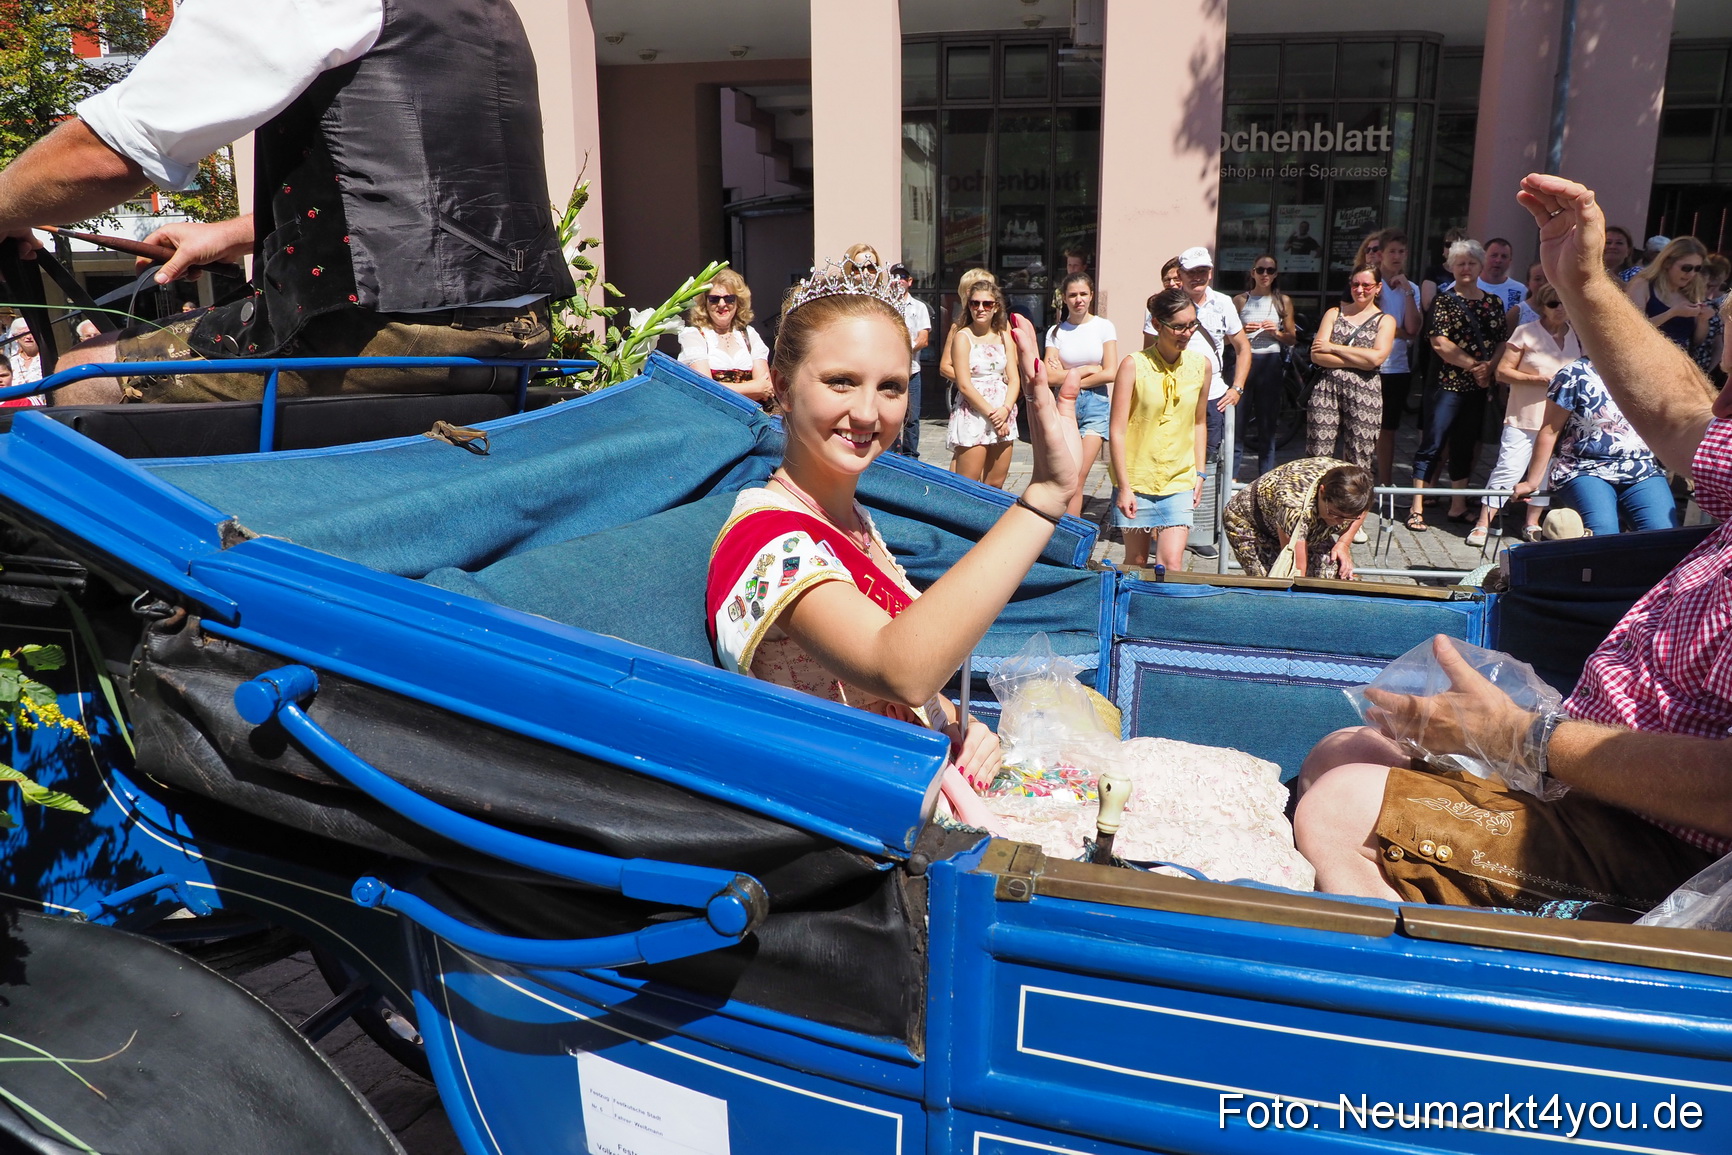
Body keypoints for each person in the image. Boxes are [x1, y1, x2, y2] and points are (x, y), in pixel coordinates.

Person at [1292, 172, 1732, 911]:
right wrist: (1584, 279)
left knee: (1340, 807)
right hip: (1590, 776)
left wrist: (1527, 738)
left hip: (1664, 849)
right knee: (1340, 753)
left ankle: (1414, 1008)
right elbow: (1681, 410)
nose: (1720, 401)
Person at [4, 0, 573, 406]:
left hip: (376, 331)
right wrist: (235, 231)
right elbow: (426, 189)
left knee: (80, 376)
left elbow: (107, 153)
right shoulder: (482, 11)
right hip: (513, 330)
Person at [705, 259, 1080, 824]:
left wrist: (963, 726)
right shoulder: (765, 534)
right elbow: (898, 666)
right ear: (780, 387)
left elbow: (903, 690)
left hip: (919, 796)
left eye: (891, 388)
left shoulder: (853, 520)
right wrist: (1046, 496)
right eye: (840, 381)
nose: (866, 411)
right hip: (852, 835)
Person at [1150, 247, 1249, 561]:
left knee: (1204, 463)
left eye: (1204, 271)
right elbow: (1146, 353)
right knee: (1163, 456)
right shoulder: (1164, 303)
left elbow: (1243, 348)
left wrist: (1237, 388)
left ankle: (1199, 530)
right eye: (1192, 271)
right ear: (1179, 273)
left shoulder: (1222, 303)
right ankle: (1157, 531)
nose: (1198, 277)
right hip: (1171, 393)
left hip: (1212, 393)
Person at [1512, 357, 1678, 538]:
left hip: (1642, 467)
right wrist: (1532, 481)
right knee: (1603, 534)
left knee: (1665, 535)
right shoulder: (1573, 374)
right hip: (1583, 467)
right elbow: (1550, 430)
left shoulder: (1651, 372)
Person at [1406, 239, 1508, 532]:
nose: (1466, 268)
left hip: (1478, 386)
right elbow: (1439, 342)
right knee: (1433, 444)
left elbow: (1502, 339)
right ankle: (1417, 507)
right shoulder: (1443, 301)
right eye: (1460, 263)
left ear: (1480, 265)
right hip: (1447, 385)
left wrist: (1489, 368)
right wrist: (1474, 366)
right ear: (1451, 267)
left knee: (1465, 444)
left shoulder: (1493, 302)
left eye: (1471, 263)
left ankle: (1458, 504)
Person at [1469, 282, 1580, 546]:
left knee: (1545, 473)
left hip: (1558, 420)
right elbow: (1502, 372)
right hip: (1524, 414)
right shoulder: (1525, 332)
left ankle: (1532, 523)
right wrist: (1540, 380)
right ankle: (1482, 523)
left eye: (1564, 302)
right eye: (1554, 303)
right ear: (1542, 306)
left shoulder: (1576, 334)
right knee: (1509, 468)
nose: (1560, 309)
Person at [1110, 289, 1210, 571]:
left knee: (1171, 564)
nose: (1187, 333)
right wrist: (1124, 487)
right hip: (1137, 479)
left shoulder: (1201, 365)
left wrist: (1199, 474)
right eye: (1179, 326)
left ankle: (1169, 616)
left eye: (1192, 324)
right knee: (1137, 563)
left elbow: (1200, 422)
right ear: (1156, 325)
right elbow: (1116, 430)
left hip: (1179, 478)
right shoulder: (1133, 365)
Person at [1306, 263, 1395, 472]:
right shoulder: (1334, 313)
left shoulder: (1385, 320)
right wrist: (1359, 359)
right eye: (1356, 284)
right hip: (1326, 389)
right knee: (1317, 455)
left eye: (1367, 285)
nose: (1360, 290)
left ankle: (1355, 505)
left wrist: (1333, 348)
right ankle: (1316, 502)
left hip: (1365, 391)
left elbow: (1376, 359)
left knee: (1359, 457)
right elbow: (1317, 355)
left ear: (1378, 287)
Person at [1044, 273, 1118, 516]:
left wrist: (1069, 375)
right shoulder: (1056, 332)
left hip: (1096, 404)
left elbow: (1110, 372)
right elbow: (1050, 377)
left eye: (1083, 294)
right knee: (1067, 475)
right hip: (1066, 405)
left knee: (1078, 475)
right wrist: (1086, 370)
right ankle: (1065, 534)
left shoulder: (1103, 327)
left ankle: (1073, 539)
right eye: (1073, 295)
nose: (1078, 300)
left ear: (1091, 296)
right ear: (1064, 299)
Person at [1223, 459, 1369, 580]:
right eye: (1335, 514)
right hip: (1251, 521)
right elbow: (1297, 571)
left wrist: (1343, 543)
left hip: (1304, 519)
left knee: (1332, 576)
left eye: (1348, 518)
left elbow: (1364, 507)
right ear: (1322, 491)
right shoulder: (1293, 506)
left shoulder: (1359, 485)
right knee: (1276, 584)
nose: (1339, 522)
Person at [946, 279, 1019, 487]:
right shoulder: (963, 336)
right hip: (974, 412)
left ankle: (992, 521)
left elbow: (1014, 378)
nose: (980, 309)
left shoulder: (1004, 336)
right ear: (968, 306)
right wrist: (993, 415)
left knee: (996, 484)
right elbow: (964, 384)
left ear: (996, 307)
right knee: (968, 485)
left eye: (987, 304)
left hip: (1002, 411)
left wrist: (1005, 410)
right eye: (975, 303)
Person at [1232, 254, 1296, 477]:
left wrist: (1276, 333)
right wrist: (1243, 332)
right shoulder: (1241, 300)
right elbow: (1226, 337)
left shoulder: (1282, 301)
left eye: (1270, 271)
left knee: (1267, 428)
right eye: (1261, 270)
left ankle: (1265, 479)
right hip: (1246, 362)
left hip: (1270, 363)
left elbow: (1292, 338)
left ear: (1276, 274)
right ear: (1253, 273)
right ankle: (1231, 481)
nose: (1265, 275)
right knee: (1238, 426)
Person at [677, 269, 772, 407]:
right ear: (705, 303)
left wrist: (720, 388)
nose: (722, 304)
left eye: (729, 298)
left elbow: (766, 388)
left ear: (738, 302)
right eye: (714, 299)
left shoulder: (750, 335)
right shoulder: (694, 336)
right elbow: (705, 389)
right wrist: (754, 388)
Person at [1374, 230, 1423, 487]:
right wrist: (1396, 330)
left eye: (1401, 252)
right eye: (1391, 251)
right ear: (1381, 254)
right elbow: (1371, 324)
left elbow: (1413, 328)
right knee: (1360, 427)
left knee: (1388, 429)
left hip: (1397, 368)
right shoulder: (1369, 283)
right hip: (1369, 363)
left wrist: (1406, 291)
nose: (1396, 256)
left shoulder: (1411, 288)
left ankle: (1384, 482)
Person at [1625, 237, 1712, 358]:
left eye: (1697, 268)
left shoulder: (1692, 291)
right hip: (1643, 359)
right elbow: (1632, 329)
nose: (1691, 274)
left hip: (1677, 364)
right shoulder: (1643, 284)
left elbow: (1697, 341)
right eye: (1686, 268)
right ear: (1667, 263)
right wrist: (1672, 313)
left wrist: (1703, 319)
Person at [889, 264, 930, 458]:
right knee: (891, 415)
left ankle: (910, 456)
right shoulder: (885, 305)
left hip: (912, 371)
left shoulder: (919, 307)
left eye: (903, 277)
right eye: (895, 277)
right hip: (890, 371)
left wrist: (901, 350)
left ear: (910, 281)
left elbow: (923, 339)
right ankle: (890, 454)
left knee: (912, 417)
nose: (899, 280)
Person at [1420, 227, 1466, 312]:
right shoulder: (1433, 272)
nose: (1451, 249)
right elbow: (1428, 305)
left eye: (1456, 246)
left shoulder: (1469, 274)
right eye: (1448, 245)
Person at [1476, 237, 1524, 311]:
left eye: (1504, 257)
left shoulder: (1520, 291)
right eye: (1494, 255)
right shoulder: (1463, 286)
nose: (1498, 260)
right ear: (1483, 257)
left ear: (1510, 261)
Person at [1504, 261, 1546, 332]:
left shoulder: (1562, 311)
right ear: (1528, 284)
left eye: (1547, 278)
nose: (1543, 283)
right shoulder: (1517, 312)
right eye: (1537, 279)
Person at [5, 318, 41, 386]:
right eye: (24, 334)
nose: (28, 337)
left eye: (32, 333)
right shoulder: (10, 363)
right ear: (15, 338)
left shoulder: (49, 359)